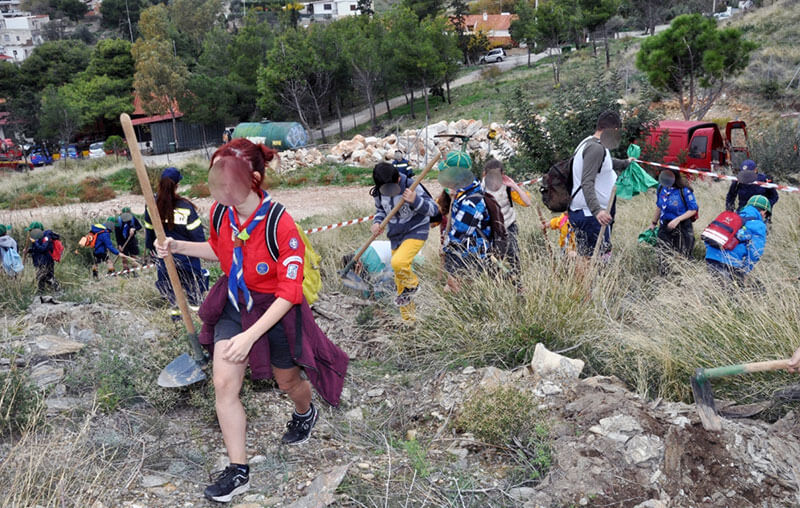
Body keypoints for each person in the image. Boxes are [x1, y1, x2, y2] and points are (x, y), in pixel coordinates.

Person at [155, 138, 348, 503]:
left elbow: (290, 293)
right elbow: (218, 250)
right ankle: (238, 471)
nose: (222, 185)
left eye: (230, 177)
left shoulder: (281, 224)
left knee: (287, 381)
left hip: (275, 310)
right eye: (218, 176)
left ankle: (305, 412)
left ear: (254, 178)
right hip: (234, 303)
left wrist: (250, 337)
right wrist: (177, 247)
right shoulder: (219, 213)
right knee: (224, 383)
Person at [370, 162, 438, 320]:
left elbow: (433, 210)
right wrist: (377, 222)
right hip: (396, 235)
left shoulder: (412, 186)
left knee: (398, 262)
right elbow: (380, 210)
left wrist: (415, 200)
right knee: (400, 281)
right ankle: (409, 321)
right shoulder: (379, 192)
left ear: (398, 178)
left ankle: (413, 285)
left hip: (416, 231)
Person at [568, 110, 633, 258]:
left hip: (588, 214)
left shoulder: (591, 143)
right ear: (612, 130)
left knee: (588, 258)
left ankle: (581, 280)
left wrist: (626, 163)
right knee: (595, 261)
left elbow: (605, 163)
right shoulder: (596, 148)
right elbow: (587, 181)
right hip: (590, 216)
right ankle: (590, 281)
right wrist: (597, 211)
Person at [144, 167, 209, 311]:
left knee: (172, 295)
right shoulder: (186, 208)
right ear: (177, 185)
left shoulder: (151, 207)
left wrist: (152, 250)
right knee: (194, 294)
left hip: (165, 258)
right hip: (188, 260)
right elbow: (198, 237)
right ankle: (196, 321)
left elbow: (149, 233)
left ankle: (177, 322)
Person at [440, 157, 491, 292]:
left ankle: (469, 309)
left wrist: (445, 246)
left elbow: (460, 233)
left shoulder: (471, 202)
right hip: (462, 251)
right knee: (450, 289)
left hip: (470, 253)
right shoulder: (463, 191)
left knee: (457, 288)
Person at [482, 159, 532, 274]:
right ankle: (498, 282)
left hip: (509, 226)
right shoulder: (481, 188)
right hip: (491, 230)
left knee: (513, 256)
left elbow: (527, 202)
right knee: (492, 259)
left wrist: (514, 185)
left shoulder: (508, 186)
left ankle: (517, 281)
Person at [705, 195, 769, 283]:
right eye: (766, 214)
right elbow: (756, 253)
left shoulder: (732, 217)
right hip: (731, 264)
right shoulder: (759, 225)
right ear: (763, 212)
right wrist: (745, 271)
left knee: (713, 291)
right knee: (732, 294)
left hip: (711, 257)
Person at [647, 169, 699, 258]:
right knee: (663, 255)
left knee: (684, 256)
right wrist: (653, 223)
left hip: (682, 227)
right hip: (665, 226)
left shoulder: (684, 190)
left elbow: (693, 209)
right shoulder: (661, 188)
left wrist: (677, 219)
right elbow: (659, 206)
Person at [25, 221, 60, 293]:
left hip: (46, 261)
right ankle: (42, 293)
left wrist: (35, 242)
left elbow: (43, 248)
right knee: (41, 278)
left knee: (47, 277)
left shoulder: (46, 237)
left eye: (31, 230)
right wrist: (29, 250)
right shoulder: (37, 238)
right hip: (39, 261)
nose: (30, 232)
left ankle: (58, 291)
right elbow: (37, 250)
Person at [115, 207, 143, 275]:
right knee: (124, 257)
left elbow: (139, 226)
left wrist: (134, 229)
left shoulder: (133, 218)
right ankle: (126, 271)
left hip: (132, 240)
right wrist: (119, 245)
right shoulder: (118, 221)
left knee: (133, 256)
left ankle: (135, 271)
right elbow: (117, 234)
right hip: (122, 241)